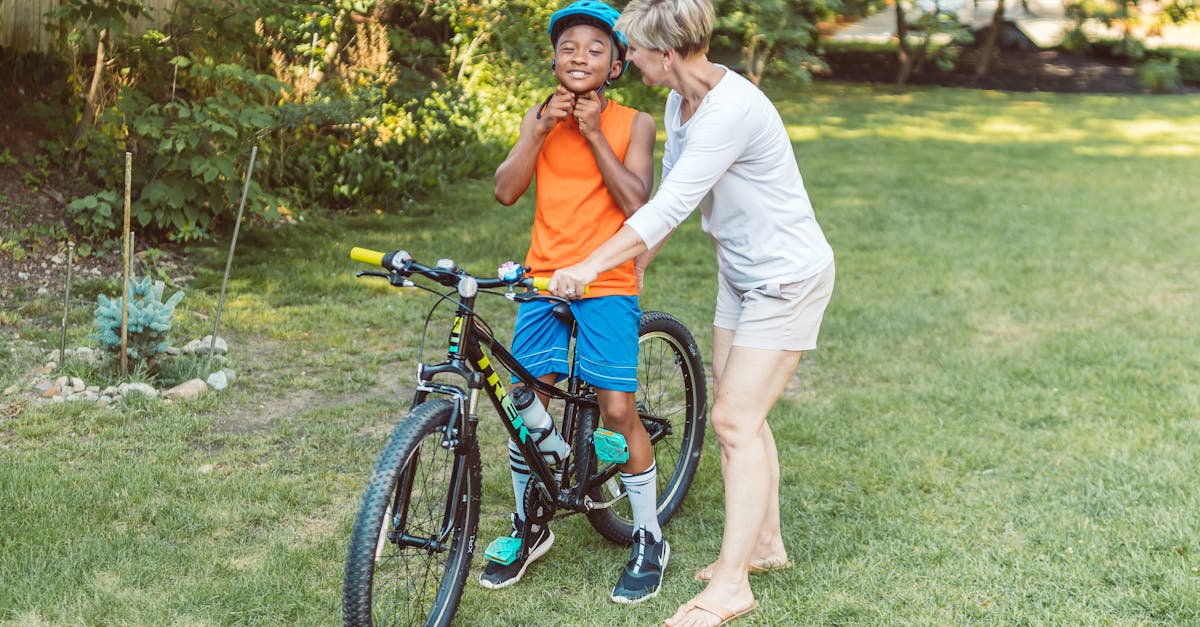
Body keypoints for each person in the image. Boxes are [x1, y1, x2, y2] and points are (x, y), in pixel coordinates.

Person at [547, 0, 836, 624]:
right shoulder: (683, 102)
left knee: (733, 421)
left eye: (637, 51)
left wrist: (593, 266)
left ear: (668, 54)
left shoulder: (729, 111)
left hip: (786, 278)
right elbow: (676, 185)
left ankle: (732, 585)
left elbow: (669, 204)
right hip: (742, 275)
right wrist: (637, 264)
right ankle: (766, 546)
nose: (630, 61)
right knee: (745, 419)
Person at [478, 0, 666, 605]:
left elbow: (638, 201)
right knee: (520, 403)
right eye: (567, 47)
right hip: (542, 278)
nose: (578, 56)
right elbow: (507, 191)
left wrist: (589, 132)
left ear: (616, 64)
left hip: (606, 279)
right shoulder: (539, 116)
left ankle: (648, 534)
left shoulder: (633, 122)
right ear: (554, 60)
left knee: (615, 409)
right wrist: (537, 130)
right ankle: (529, 523)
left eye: (594, 48)